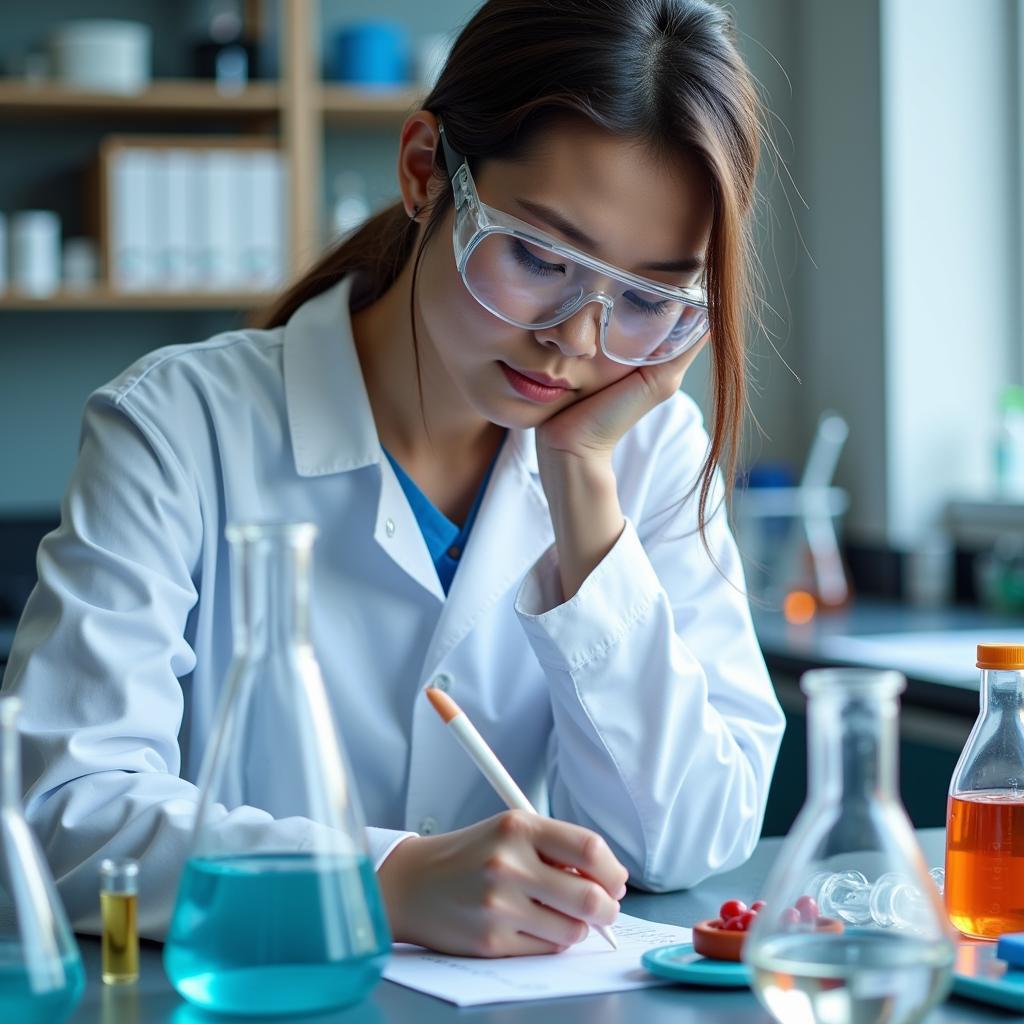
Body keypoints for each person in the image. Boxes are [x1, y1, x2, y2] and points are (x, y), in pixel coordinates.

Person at [2, 0, 785, 957]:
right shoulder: (177, 426)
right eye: (539, 256)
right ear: (424, 171)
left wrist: (582, 490)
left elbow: (689, 840)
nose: (579, 341)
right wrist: (378, 882)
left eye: (648, 298)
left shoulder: (646, 448)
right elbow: (62, 815)